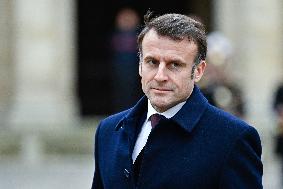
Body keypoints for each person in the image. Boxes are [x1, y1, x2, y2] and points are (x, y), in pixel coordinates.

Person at [91, 12, 263, 189]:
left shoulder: (233, 138)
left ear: (198, 71)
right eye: (152, 62)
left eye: (175, 64)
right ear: (140, 64)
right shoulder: (108, 130)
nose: (160, 76)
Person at [109, 7, 143, 113]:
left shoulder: (140, 36)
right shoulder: (115, 35)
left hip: (136, 71)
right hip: (118, 70)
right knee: (120, 94)